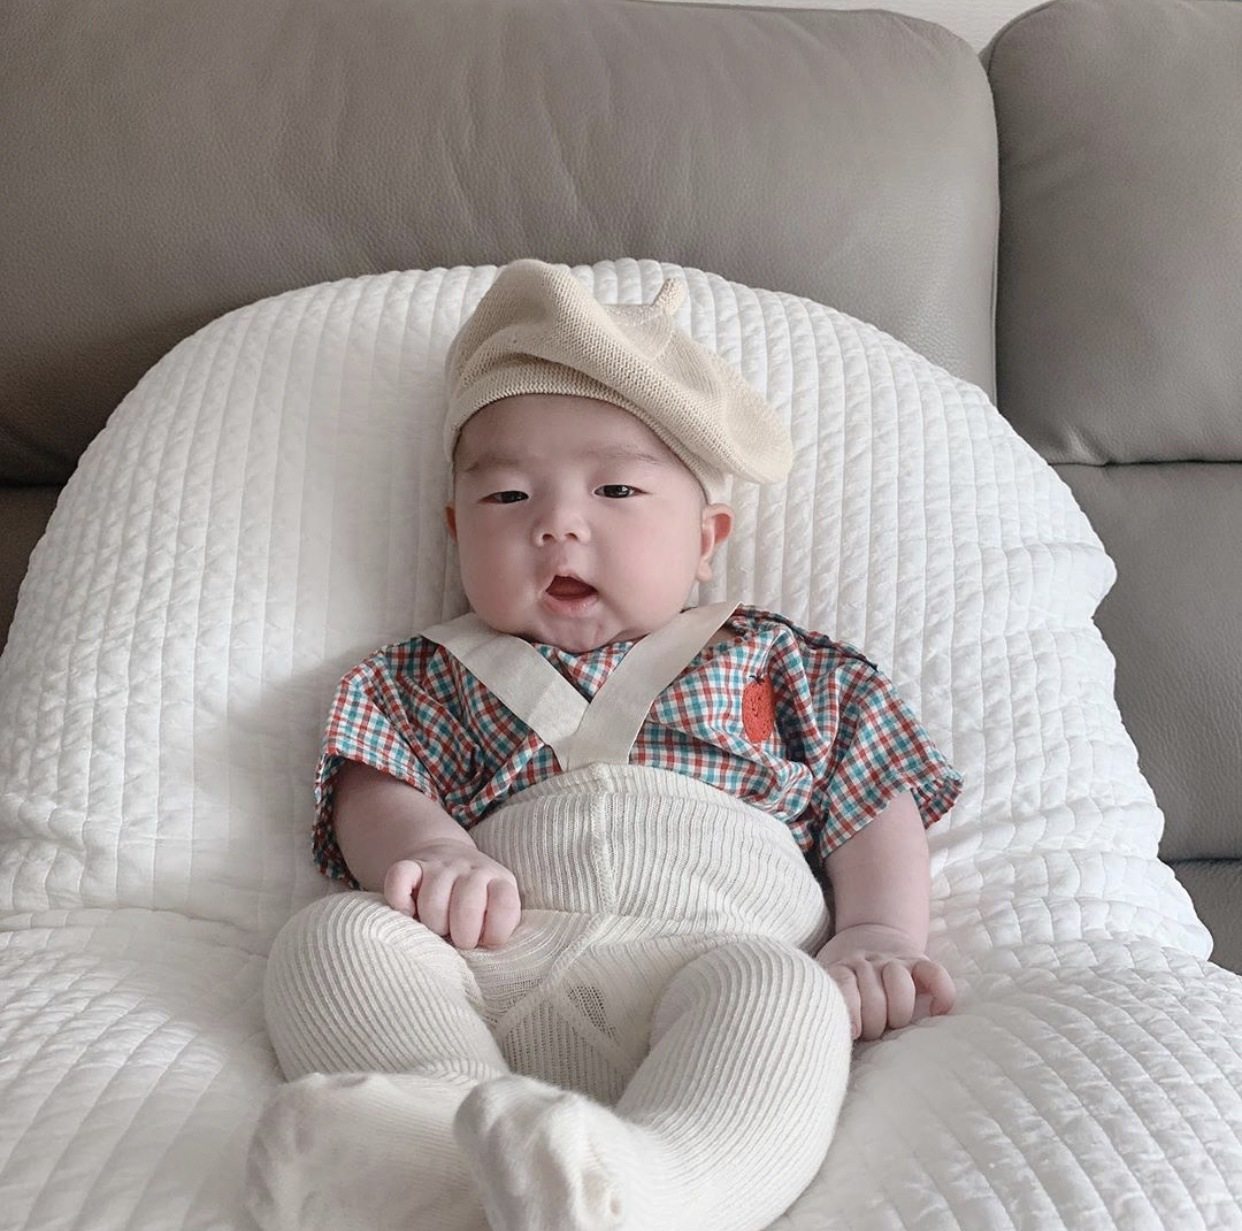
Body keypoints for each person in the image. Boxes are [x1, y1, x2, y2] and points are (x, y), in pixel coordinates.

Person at [245, 259, 964, 1231]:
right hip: (503, 960)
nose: (558, 525)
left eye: (617, 488)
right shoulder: (426, 674)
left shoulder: (781, 661)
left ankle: (652, 1189)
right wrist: (430, 846)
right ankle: (449, 1137)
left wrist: (878, 930)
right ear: (455, 530)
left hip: (712, 960)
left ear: (706, 537)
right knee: (333, 939)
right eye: (507, 499)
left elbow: (872, 794)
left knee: (790, 997)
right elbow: (371, 786)